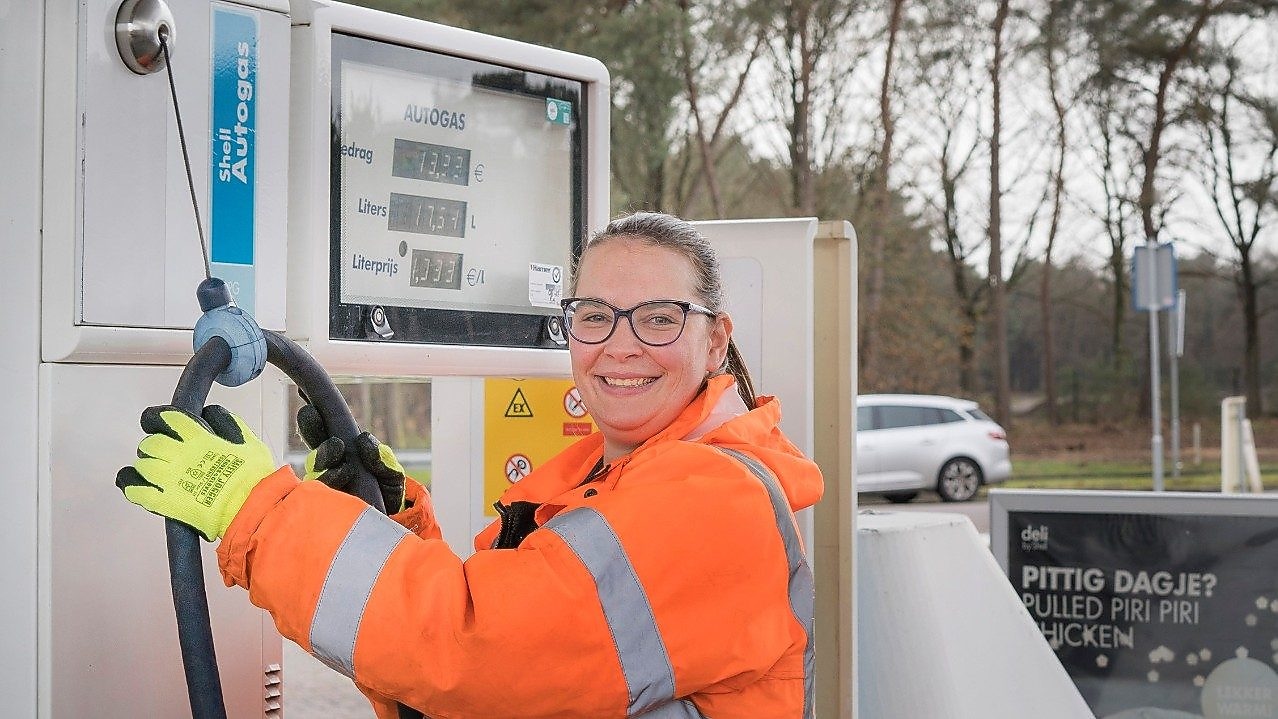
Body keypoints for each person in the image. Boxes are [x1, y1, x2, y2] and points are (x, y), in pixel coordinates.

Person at [116, 211, 824, 718]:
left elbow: (472, 654)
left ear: (714, 340)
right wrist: (395, 519)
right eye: (595, 315)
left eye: (661, 317)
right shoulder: (595, 487)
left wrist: (257, 512)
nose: (622, 345)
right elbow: (479, 650)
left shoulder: (715, 497)